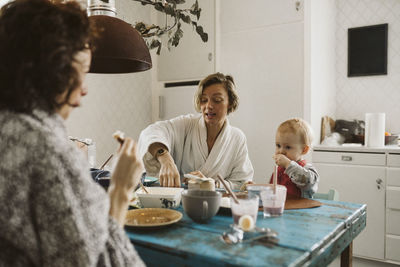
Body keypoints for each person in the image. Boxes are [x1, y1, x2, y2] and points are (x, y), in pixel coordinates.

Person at [0, 0, 145, 266]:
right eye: (80, 74)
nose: (84, 90)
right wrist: (121, 191)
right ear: (51, 73)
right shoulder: (48, 152)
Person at [138, 73, 254, 190]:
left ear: (230, 103)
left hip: (218, 204)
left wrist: (211, 184)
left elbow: (242, 183)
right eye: (204, 100)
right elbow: (150, 132)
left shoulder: (237, 138)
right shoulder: (187, 125)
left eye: (217, 100)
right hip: (181, 201)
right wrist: (165, 158)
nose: (209, 106)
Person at [270, 118, 319, 198]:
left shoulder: (307, 169)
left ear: (304, 150)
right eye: (278, 145)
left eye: (288, 147)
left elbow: (307, 182)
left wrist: (288, 165)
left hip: (300, 209)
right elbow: (271, 191)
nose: (281, 151)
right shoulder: (278, 170)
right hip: (281, 208)